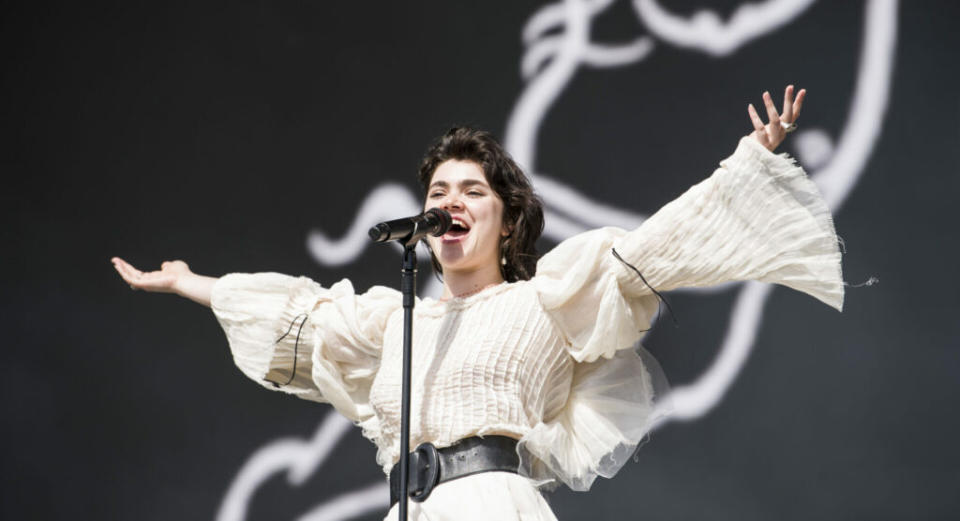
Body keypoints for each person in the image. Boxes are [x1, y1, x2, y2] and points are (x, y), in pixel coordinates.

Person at [112, 86, 843, 521]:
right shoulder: (397, 322)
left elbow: (653, 247)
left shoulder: (542, 301)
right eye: (436, 192)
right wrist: (192, 283)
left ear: (506, 218)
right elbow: (304, 315)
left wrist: (747, 162)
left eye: (471, 191)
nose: (449, 202)